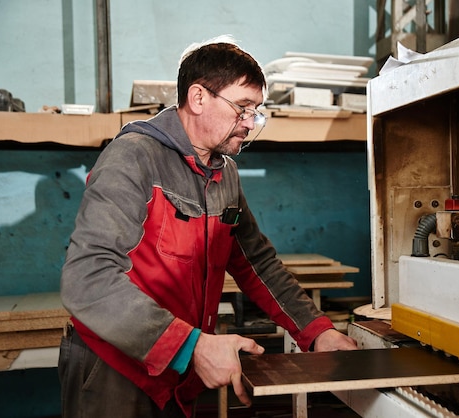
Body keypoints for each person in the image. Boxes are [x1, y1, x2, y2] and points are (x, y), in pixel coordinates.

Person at [58, 35, 357, 418]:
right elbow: (88, 279)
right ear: (198, 98)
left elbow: (257, 264)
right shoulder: (133, 158)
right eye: (243, 107)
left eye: (256, 111)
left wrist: (317, 332)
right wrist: (192, 347)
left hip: (179, 370)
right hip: (114, 370)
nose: (250, 123)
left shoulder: (224, 173)